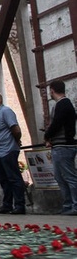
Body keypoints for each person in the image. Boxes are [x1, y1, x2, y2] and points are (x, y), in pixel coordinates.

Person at [0, 91, 26, 215]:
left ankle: (20, 205)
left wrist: (16, 141)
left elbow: (15, 129)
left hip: (7, 150)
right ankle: (7, 205)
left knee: (14, 178)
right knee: (3, 179)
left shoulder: (6, 111)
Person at [45, 81, 77, 215]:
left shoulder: (63, 104)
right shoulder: (63, 104)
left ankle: (74, 205)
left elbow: (57, 123)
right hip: (59, 145)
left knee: (69, 176)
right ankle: (68, 204)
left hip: (64, 145)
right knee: (60, 177)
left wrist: (47, 135)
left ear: (52, 91)